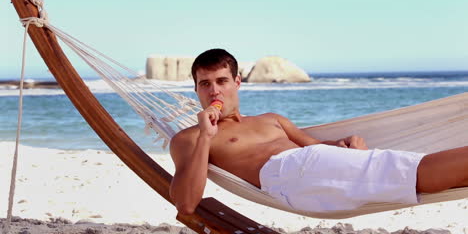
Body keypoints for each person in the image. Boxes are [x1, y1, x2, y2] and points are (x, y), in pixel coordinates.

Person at [169, 48, 468, 215]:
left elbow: (316, 146)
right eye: (204, 84)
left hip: (317, 166)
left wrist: (345, 144)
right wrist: (206, 137)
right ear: (195, 89)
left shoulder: (272, 119)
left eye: (221, 81)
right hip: (289, 177)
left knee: (420, 173)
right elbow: (185, 203)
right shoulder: (190, 138)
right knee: (417, 172)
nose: (213, 91)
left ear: (237, 82)